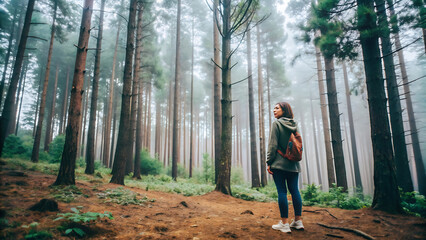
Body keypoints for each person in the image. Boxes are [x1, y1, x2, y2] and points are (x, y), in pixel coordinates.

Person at [266, 102, 304, 233]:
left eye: (277, 108)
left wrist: (269, 162)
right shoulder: (295, 124)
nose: (274, 110)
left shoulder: (276, 124)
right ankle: (298, 221)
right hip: (294, 165)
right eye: (274, 108)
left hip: (279, 165)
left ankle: (284, 224)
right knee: (295, 191)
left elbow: (272, 145)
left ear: (284, 110)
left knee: (282, 192)